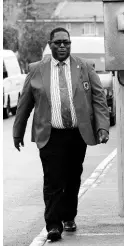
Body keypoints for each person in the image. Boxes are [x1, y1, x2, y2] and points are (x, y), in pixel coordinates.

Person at [13, 27, 110, 242]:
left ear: (70, 43)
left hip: (77, 134)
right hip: (50, 135)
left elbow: (98, 99)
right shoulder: (37, 69)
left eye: (66, 42)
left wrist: (102, 126)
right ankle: (53, 225)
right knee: (53, 180)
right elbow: (24, 104)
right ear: (50, 44)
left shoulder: (84, 67)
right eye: (58, 42)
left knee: (72, 177)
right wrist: (17, 132)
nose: (63, 46)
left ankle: (68, 216)